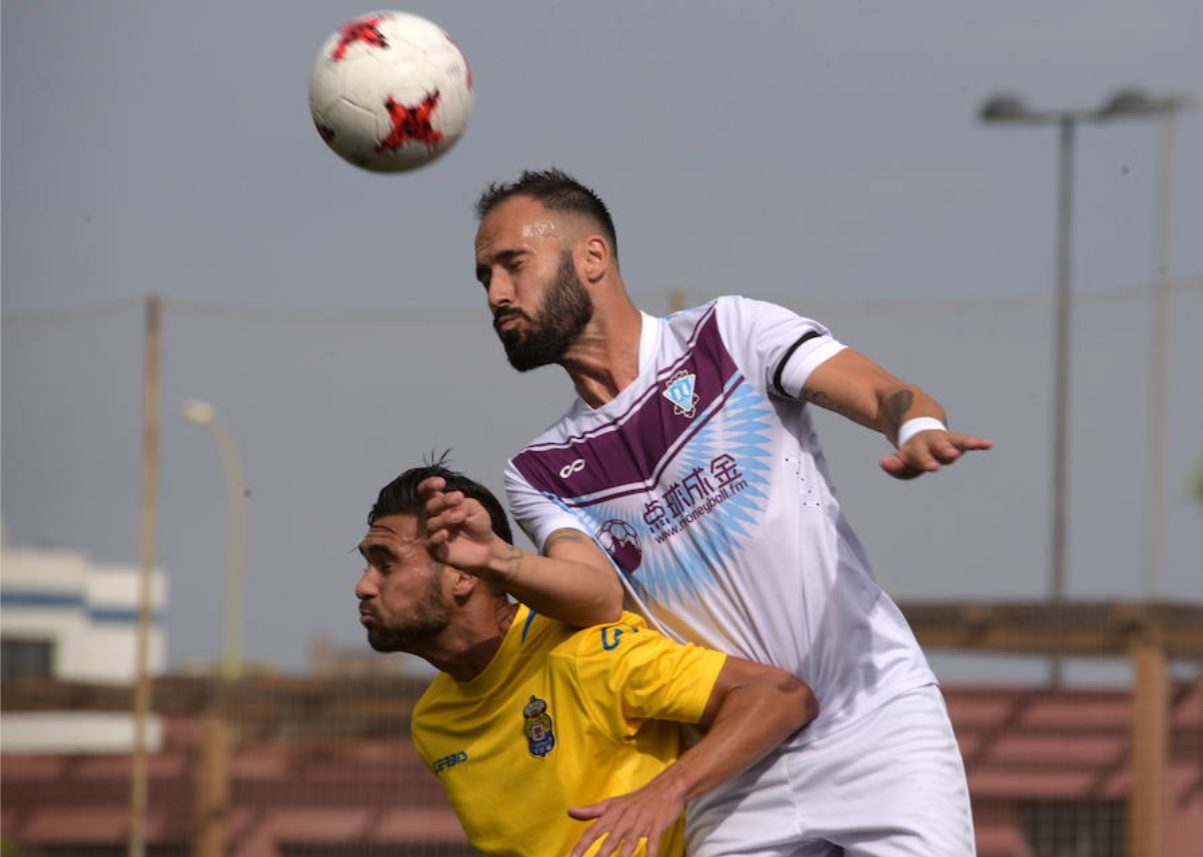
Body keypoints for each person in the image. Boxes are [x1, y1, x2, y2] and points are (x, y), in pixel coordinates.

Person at [421, 168, 993, 856]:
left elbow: (880, 390)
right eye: (484, 276)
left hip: (875, 721)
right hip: (734, 769)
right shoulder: (540, 468)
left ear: (592, 257)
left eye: (514, 264)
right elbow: (598, 592)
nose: (496, 294)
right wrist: (502, 561)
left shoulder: (728, 335)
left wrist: (911, 429)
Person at [356, 460, 817, 857]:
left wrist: (665, 793)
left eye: (386, 561)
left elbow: (779, 697)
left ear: (463, 575)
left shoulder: (583, 653)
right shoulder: (432, 722)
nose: (364, 586)